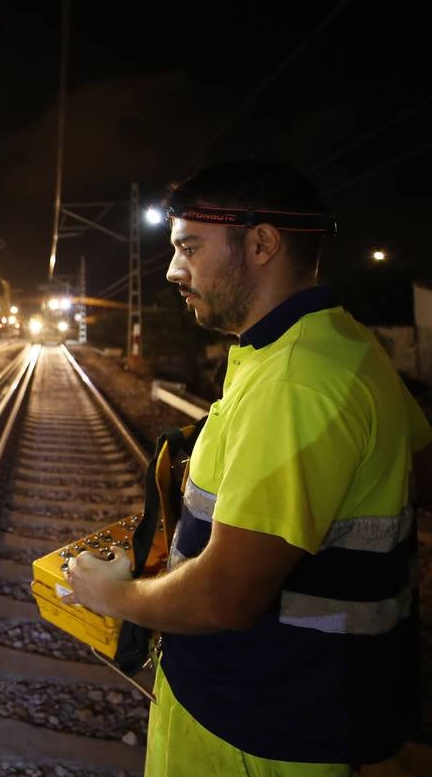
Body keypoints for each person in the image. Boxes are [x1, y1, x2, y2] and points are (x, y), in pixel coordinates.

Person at [63, 158, 432, 775]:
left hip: (261, 729)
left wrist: (116, 595)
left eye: (189, 247)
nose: (174, 270)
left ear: (261, 243)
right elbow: (416, 471)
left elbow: (225, 598)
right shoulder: (336, 341)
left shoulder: (294, 382)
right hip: (308, 706)